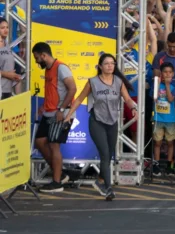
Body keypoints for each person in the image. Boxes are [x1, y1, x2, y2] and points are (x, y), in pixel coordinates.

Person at [64, 53, 137, 201]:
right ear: (100, 66)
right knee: (104, 154)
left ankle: (100, 180)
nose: (110, 66)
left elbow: (127, 99)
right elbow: (79, 99)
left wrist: (134, 107)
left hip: (112, 122)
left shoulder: (118, 82)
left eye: (112, 63)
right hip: (97, 121)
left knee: (109, 155)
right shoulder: (93, 82)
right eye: (107, 63)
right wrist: (68, 115)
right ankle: (108, 188)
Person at [32, 42, 77, 194]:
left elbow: (73, 88)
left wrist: (62, 109)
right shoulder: (48, 69)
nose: (37, 61)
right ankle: (61, 174)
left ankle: (57, 182)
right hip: (48, 112)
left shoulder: (61, 67)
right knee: (39, 142)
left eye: (37, 58)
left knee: (53, 145)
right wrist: (44, 106)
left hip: (61, 114)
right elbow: (53, 91)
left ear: (44, 55)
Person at [152, 62, 175, 176]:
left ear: (173, 74)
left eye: (170, 72)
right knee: (157, 142)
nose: (167, 74)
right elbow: (154, 98)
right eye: (165, 72)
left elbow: (170, 99)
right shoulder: (157, 84)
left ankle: (170, 165)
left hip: (170, 119)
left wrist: (168, 85)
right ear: (161, 73)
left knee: (170, 142)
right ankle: (156, 164)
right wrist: (157, 85)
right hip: (158, 118)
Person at [0, 18, 20, 100]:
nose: (6, 30)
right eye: (2, 28)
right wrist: (7, 74)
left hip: (7, 90)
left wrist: (15, 76)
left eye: (7, 27)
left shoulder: (6, 44)